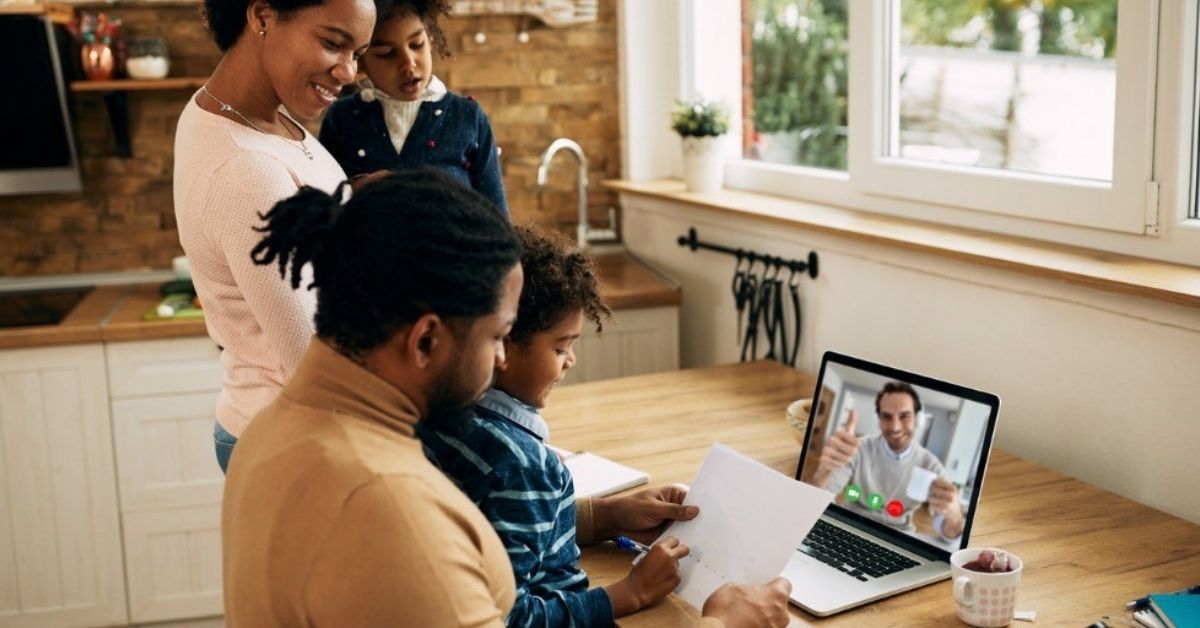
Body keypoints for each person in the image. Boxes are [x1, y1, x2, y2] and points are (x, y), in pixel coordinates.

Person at [221, 168, 794, 627]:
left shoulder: (273, 429)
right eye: (497, 336)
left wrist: (595, 518)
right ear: (426, 340)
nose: (501, 359)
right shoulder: (392, 511)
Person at [421, 224, 684, 625]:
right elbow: (507, 618)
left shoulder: (440, 415)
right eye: (561, 347)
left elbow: (495, 533)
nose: (570, 360)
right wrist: (632, 592)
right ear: (503, 346)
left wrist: (607, 516)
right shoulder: (521, 466)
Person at [173, 0, 376, 473]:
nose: (348, 72)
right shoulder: (246, 168)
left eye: (358, 53)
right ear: (262, 16)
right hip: (296, 442)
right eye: (332, 43)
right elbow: (313, 362)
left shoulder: (249, 115)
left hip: (294, 429)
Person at [319, 0, 508, 214]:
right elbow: (323, 205)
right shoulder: (341, 119)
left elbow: (497, 215)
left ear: (430, 37)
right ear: (360, 61)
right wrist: (353, 190)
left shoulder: (468, 117)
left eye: (417, 44)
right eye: (386, 53)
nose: (408, 63)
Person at [812, 381, 966, 540]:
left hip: (899, 538)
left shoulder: (931, 465)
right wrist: (823, 472)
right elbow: (818, 499)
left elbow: (949, 532)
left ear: (918, 419)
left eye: (905, 416)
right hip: (849, 526)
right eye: (886, 417)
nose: (895, 427)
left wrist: (955, 516)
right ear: (878, 420)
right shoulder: (858, 448)